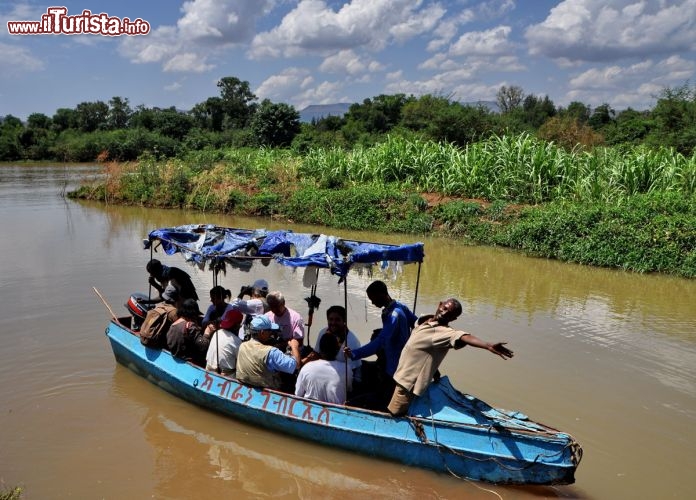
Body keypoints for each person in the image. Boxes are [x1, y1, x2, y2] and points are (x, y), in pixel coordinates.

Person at [387, 298, 514, 416]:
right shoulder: (424, 320)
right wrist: (434, 370)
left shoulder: (445, 333)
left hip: (407, 384)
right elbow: (425, 349)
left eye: (450, 313)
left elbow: (463, 337)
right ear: (440, 304)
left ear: (454, 318)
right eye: (445, 308)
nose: (444, 313)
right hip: (400, 374)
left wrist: (487, 345)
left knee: (394, 415)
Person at [345, 280, 417, 406]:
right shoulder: (400, 306)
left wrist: (355, 353)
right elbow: (417, 323)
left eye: (373, 299)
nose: (372, 302)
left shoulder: (394, 315)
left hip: (395, 366)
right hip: (395, 360)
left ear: (382, 294)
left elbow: (380, 342)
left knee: (386, 398)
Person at [235, 316, 301, 391]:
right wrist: (294, 346)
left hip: (246, 385)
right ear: (262, 332)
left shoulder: (242, 346)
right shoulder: (271, 352)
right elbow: (296, 365)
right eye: (270, 331)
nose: (271, 333)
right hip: (269, 390)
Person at [296, 333, 352, 404]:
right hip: (336, 412)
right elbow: (349, 389)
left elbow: (298, 394)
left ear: (320, 349)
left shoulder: (306, 367)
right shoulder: (347, 369)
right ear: (337, 350)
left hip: (309, 411)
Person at [313, 305, 362, 383]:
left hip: (348, 376)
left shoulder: (352, 341)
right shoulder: (323, 332)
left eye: (337, 320)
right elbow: (316, 354)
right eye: (330, 319)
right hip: (327, 370)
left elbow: (351, 370)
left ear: (344, 321)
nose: (333, 323)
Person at [166, 298, 208, 366]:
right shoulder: (190, 326)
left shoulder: (173, 324)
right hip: (189, 360)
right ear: (193, 313)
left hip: (177, 356)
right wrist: (207, 333)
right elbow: (203, 345)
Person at [205, 309, 244, 376]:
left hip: (208, 370)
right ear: (237, 325)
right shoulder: (237, 341)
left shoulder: (217, 332)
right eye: (239, 324)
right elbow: (241, 363)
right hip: (225, 376)